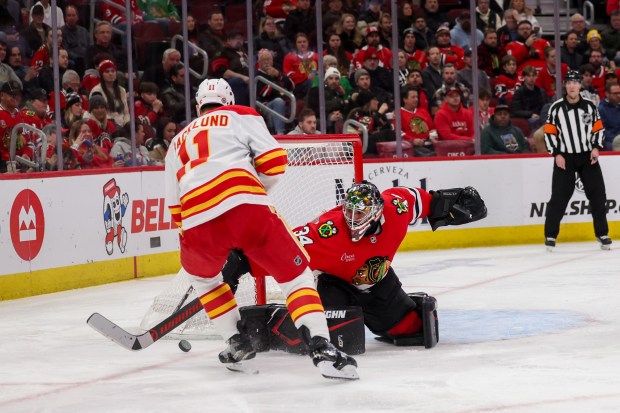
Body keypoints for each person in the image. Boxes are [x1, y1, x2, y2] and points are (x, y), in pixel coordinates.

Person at [164, 78, 359, 380]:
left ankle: (236, 341)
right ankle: (322, 347)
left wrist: (207, 237)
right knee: (296, 276)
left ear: (199, 104)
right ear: (227, 100)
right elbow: (274, 161)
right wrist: (250, 191)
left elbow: (175, 209)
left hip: (195, 222)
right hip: (246, 208)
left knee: (205, 280)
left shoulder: (176, 142)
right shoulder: (240, 114)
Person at [224, 181, 487, 347]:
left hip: (379, 281)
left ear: (376, 212)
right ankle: (279, 319)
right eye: (348, 210)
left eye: (359, 212)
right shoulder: (326, 231)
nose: (351, 217)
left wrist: (453, 201)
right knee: (339, 339)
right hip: (336, 286)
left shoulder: (396, 206)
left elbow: (425, 202)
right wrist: (243, 261)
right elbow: (285, 249)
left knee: (412, 332)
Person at [543, 70, 612, 251]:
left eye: (575, 82)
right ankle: (550, 235)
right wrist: (556, 153)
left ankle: (602, 233)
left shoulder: (590, 106)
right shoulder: (556, 108)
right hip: (565, 157)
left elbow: (598, 129)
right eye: (569, 82)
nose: (572, 86)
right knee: (559, 197)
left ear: (581, 85)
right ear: (565, 85)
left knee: (598, 195)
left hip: (587, 156)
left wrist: (596, 147)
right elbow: (549, 133)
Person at [598, 82, 620, 151]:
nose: (619, 95)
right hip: (611, 141)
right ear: (607, 94)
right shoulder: (601, 109)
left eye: (619, 93)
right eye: (615, 93)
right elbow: (602, 131)